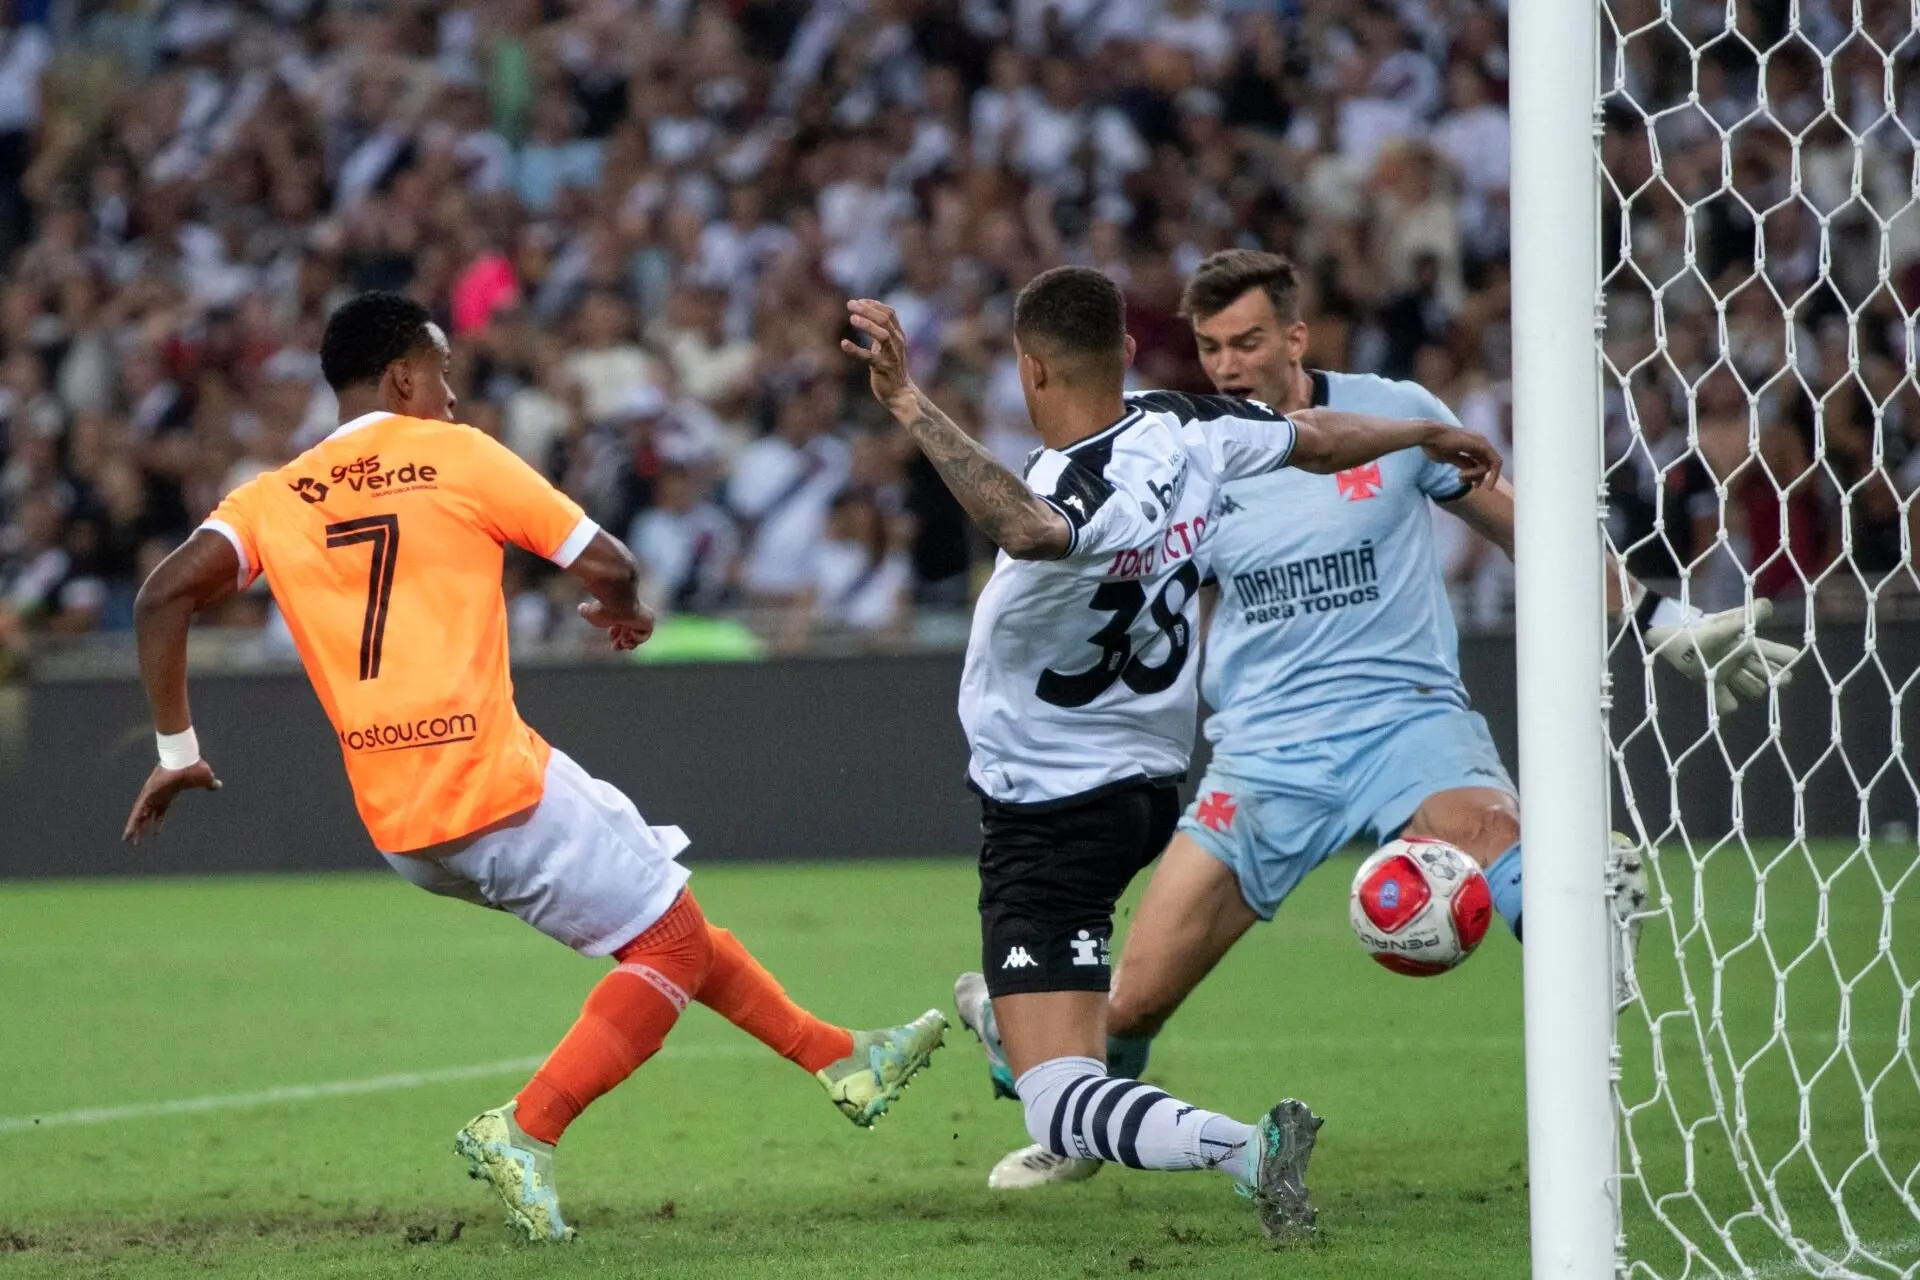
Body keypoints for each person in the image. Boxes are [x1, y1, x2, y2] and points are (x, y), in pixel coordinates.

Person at [952, 249, 1798, 1190]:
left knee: (1494, 839)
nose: (1227, 364)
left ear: (1297, 336)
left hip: (1404, 717)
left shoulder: (1390, 415)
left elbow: (1522, 526)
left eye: (1248, 341)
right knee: (1135, 997)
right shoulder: (1191, 450)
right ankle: (1079, 1124)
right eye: (1208, 347)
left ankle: (1591, 909)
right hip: (1264, 751)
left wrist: (1657, 616)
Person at [121, 291, 946, 1244]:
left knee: (662, 905)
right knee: (669, 943)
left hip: (400, 823)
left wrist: (178, 753)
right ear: (402, 378)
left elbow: (162, 595)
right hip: (486, 781)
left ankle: (842, 1058)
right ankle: (527, 1127)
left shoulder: (271, 497)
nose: (454, 395)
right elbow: (604, 560)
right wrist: (627, 612)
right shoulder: (456, 455)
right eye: (441, 374)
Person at [840, 266, 1504, 1239]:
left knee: (1058, 1092)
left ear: (1031, 371)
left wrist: (908, 401)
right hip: (1147, 785)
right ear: (1128, 355)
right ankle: (1008, 1017)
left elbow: (1028, 526)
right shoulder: (1189, 428)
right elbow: (1317, 440)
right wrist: (1418, 431)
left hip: (1048, 804)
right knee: (1090, 1011)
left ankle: (1241, 1146)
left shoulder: (1065, 484)